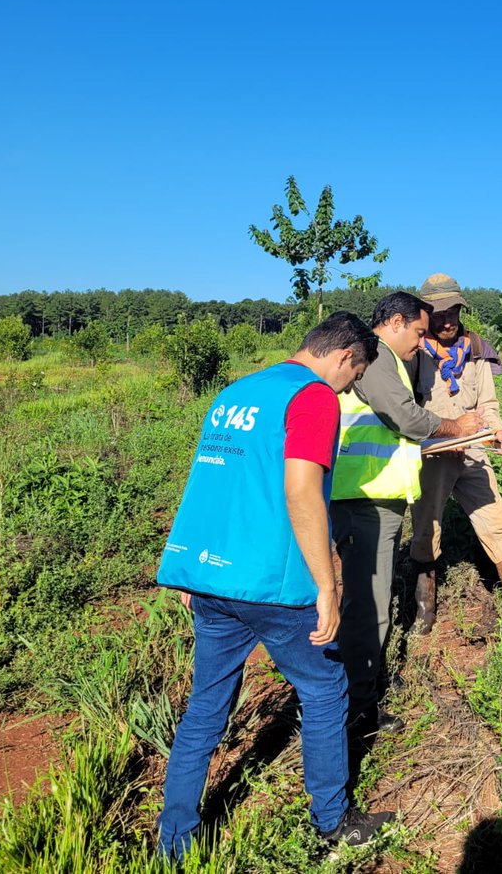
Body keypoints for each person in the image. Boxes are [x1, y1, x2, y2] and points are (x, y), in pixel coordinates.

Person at [155, 312, 391, 859]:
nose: (350, 387)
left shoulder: (238, 392)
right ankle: (332, 820)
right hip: (274, 583)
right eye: (354, 377)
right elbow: (302, 489)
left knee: (207, 708)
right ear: (343, 358)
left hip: (213, 578)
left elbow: (211, 479)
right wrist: (327, 585)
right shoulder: (313, 397)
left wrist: (191, 568)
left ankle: (174, 843)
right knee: (325, 689)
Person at [330, 291, 484, 735]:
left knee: (367, 600)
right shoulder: (375, 355)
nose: (422, 342)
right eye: (418, 332)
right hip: (365, 501)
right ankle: (357, 710)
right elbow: (404, 417)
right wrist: (456, 427)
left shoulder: (387, 360)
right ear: (395, 322)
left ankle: (357, 694)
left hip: (375, 499)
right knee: (369, 607)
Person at [409, 273, 502, 633]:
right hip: (433, 455)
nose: (447, 322)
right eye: (439, 314)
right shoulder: (412, 353)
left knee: (498, 522)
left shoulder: (475, 349)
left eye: (453, 312)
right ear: (425, 314)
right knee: (426, 530)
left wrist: (499, 430)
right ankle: (424, 613)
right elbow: (407, 409)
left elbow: (488, 403)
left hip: (474, 452)